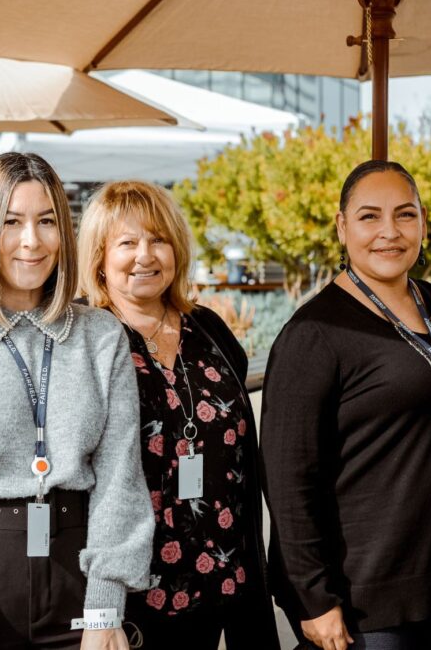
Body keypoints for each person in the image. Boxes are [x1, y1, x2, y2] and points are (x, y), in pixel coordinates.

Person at [0, 153, 153, 650]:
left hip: (80, 585)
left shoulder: (101, 334)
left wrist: (106, 605)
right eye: (10, 222)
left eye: (46, 221)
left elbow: (121, 473)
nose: (31, 241)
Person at [262, 160, 431, 650]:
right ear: (342, 226)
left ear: (424, 223)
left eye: (405, 215)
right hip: (362, 594)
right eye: (370, 217)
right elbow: (287, 480)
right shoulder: (315, 334)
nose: (389, 232)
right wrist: (312, 597)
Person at [77, 181, 279, 650]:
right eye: (127, 243)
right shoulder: (86, 339)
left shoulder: (208, 327)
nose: (145, 255)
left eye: (158, 239)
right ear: (100, 258)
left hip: (222, 580)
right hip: (132, 593)